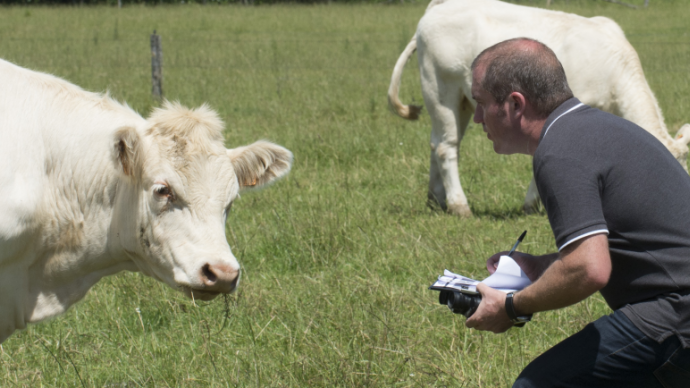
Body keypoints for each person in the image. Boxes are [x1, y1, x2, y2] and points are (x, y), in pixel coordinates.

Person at [465, 37, 690, 387]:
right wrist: (541, 266)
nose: (477, 118)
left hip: (677, 316)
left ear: (514, 104)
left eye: (480, 104)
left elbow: (589, 268)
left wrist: (511, 306)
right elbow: (619, 246)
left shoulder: (559, 153)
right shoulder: (592, 127)